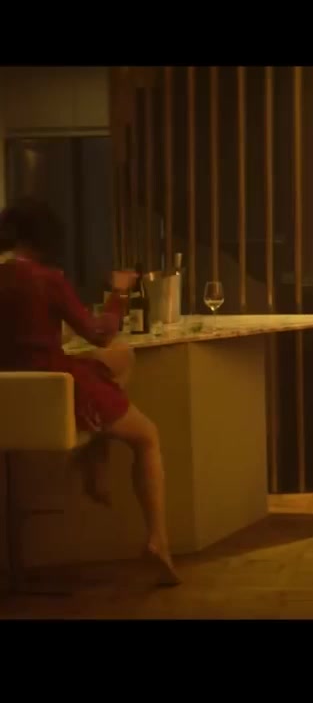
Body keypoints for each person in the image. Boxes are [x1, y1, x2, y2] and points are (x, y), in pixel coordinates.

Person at [0, 197, 179, 586]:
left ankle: (96, 451)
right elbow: (99, 333)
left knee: (121, 357)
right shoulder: (47, 279)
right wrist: (119, 292)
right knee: (147, 437)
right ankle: (158, 540)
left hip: (10, 398)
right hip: (55, 390)